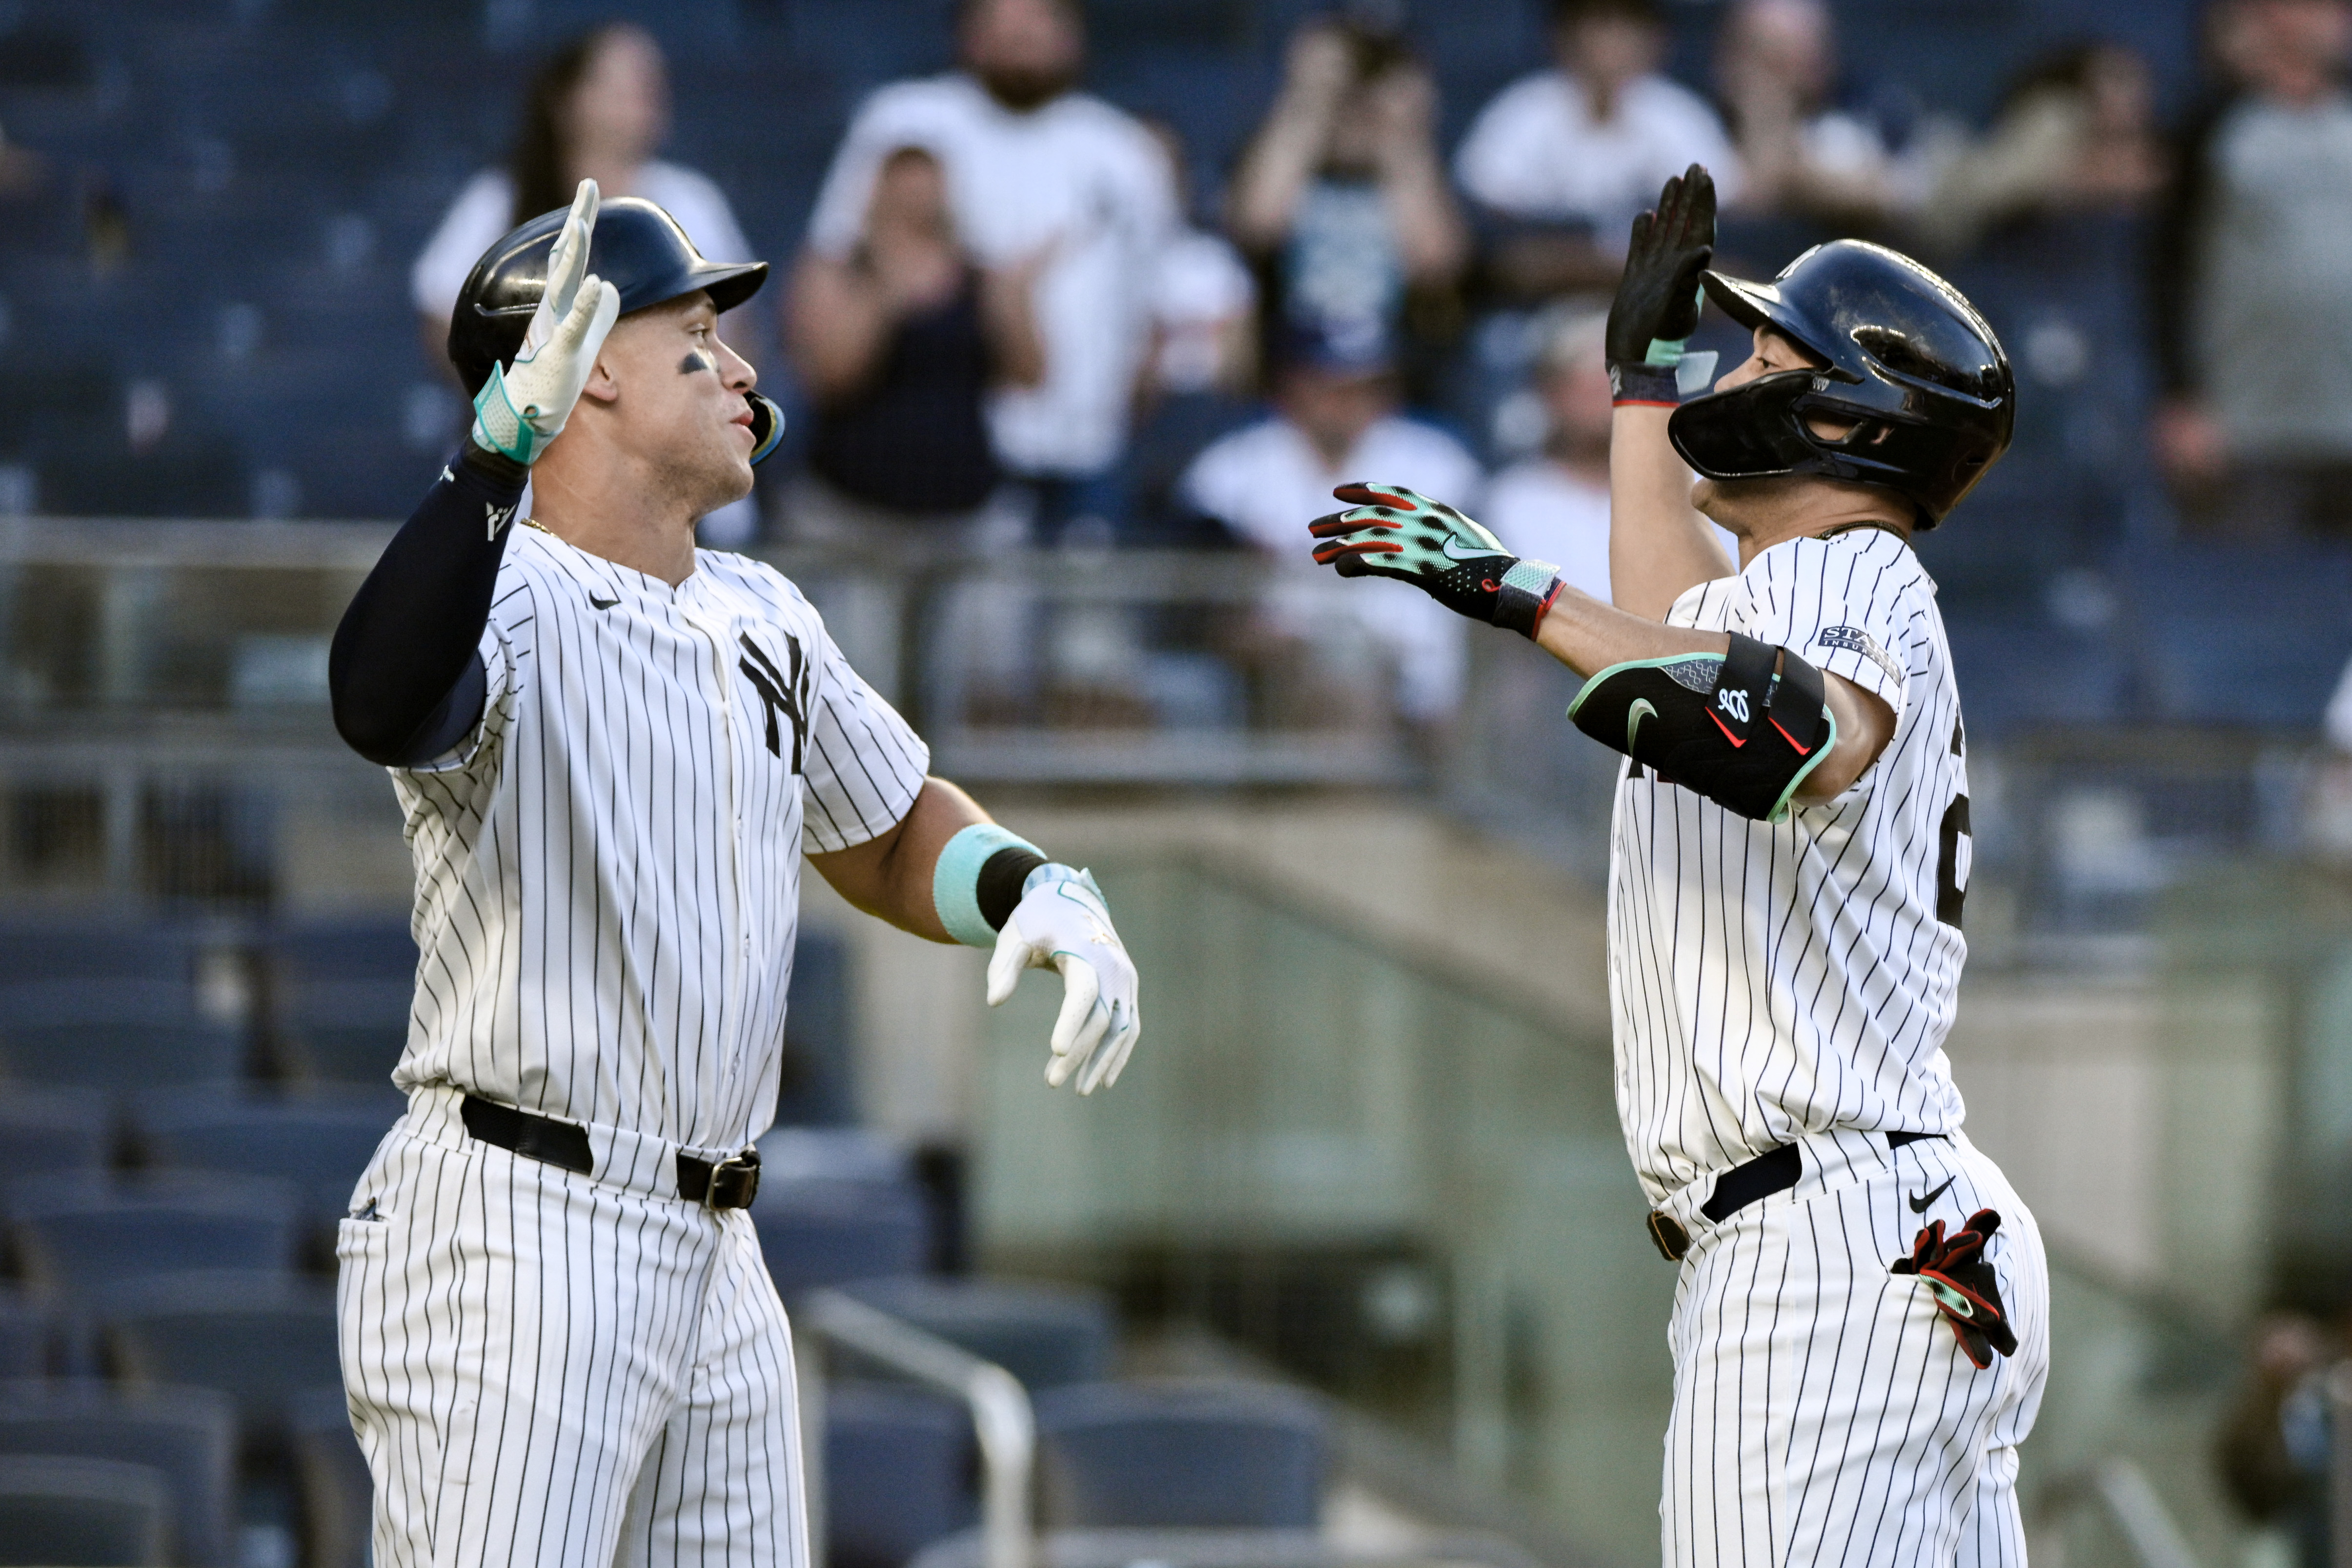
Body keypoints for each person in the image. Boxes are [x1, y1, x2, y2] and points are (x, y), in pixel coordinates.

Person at [327, 183, 1142, 1568]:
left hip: (718, 1246)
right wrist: (485, 463)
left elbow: (883, 829)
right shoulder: (505, 587)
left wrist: (1032, 886)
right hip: (524, 1223)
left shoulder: (761, 609)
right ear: (580, 377)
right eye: (697, 336)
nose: (745, 367)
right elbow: (377, 697)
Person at [1306, 166, 2048, 1562]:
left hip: (1824, 1239)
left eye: (1766, 353)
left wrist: (1514, 590)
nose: (1736, 370)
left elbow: (1782, 733)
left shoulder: (1851, 567)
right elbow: (1674, 631)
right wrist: (1642, 392)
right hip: (1886, 1228)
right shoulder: (1792, 584)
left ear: (1841, 414)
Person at [802, 0, 1176, 546]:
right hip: (950, 454)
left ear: (1073, 32)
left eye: (1038, 18)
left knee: (1086, 629)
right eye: (1001, 19)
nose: (1020, 35)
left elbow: (1154, 307)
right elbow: (833, 259)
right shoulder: (907, 121)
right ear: (966, 32)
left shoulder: (1125, 152)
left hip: (1089, 452)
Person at [410, 23, 760, 543]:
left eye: (652, 81)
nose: (645, 95)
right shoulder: (501, 200)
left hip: (672, 490)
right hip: (527, 489)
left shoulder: (692, 201)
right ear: (567, 99)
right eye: (621, 82)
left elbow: (741, 338)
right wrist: (542, 382)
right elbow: (445, 325)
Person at [1182, 328, 1480, 727]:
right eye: (1328, 385)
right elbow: (1203, 589)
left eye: (1362, 387)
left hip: (1411, 666)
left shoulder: (1436, 461)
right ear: (1291, 387)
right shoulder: (1234, 465)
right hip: (1275, 669)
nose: (1346, 402)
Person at [2151, 0, 2352, 536]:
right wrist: (2180, 398)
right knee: (2250, 603)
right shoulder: (2214, 125)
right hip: (2245, 434)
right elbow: (2164, 271)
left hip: (2345, 420)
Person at [785, 144, 1047, 543]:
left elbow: (1030, 376)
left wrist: (1015, 301)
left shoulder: (979, 280)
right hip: (850, 512)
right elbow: (831, 378)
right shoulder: (838, 270)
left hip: (964, 515)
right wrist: (884, 287)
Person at [1226, 14, 1468, 396]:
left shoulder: (1416, 172)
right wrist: (1308, 100)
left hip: (1390, 376)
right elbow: (1259, 226)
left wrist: (1405, 133)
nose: (1356, 104)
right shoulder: (1281, 161)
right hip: (1294, 371)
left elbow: (1435, 265)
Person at [1454, 0, 1740, 302]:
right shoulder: (1524, 111)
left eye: (1627, 26)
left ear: (1656, 39)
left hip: (1666, 308)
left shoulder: (1678, 115)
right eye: (1597, 24)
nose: (1610, 40)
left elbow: (1729, 230)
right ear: (1563, 36)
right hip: (1552, 305)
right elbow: (1500, 248)